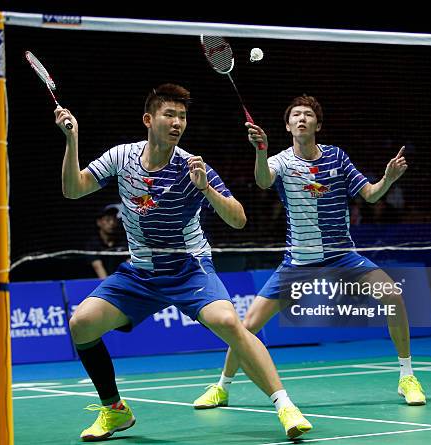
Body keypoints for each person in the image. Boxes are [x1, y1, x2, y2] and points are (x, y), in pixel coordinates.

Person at [55, 84, 312, 441]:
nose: (178, 123)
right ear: (149, 119)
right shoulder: (121, 157)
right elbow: (74, 188)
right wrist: (72, 140)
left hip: (189, 268)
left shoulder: (191, 166)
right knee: (81, 324)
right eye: (169, 115)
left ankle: (285, 405)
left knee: (228, 322)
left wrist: (206, 188)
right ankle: (114, 411)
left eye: (183, 116)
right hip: (142, 272)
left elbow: (238, 219)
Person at [193, 94, 426, 410]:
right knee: (246, 326)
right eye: (295, 115)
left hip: (342, 256)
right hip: (299, 262)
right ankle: (222, 386)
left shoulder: (337, 157)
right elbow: (263, 181)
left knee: (393, 297)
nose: (301, 118)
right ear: (288, 126)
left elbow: (370, 196)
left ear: (318, 123)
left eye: (308, 114)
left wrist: (387, 179)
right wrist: (261, 151)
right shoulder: (281, 161)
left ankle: (407, 376)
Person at [85, 204, 128, 279]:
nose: (112, 223)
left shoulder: (123, 242)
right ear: (99, 222)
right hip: (99, 285)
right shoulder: (93, 245)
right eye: (108, 219)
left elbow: (129, 263)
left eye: (114, 219)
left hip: (121, 281)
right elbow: (98, 267)